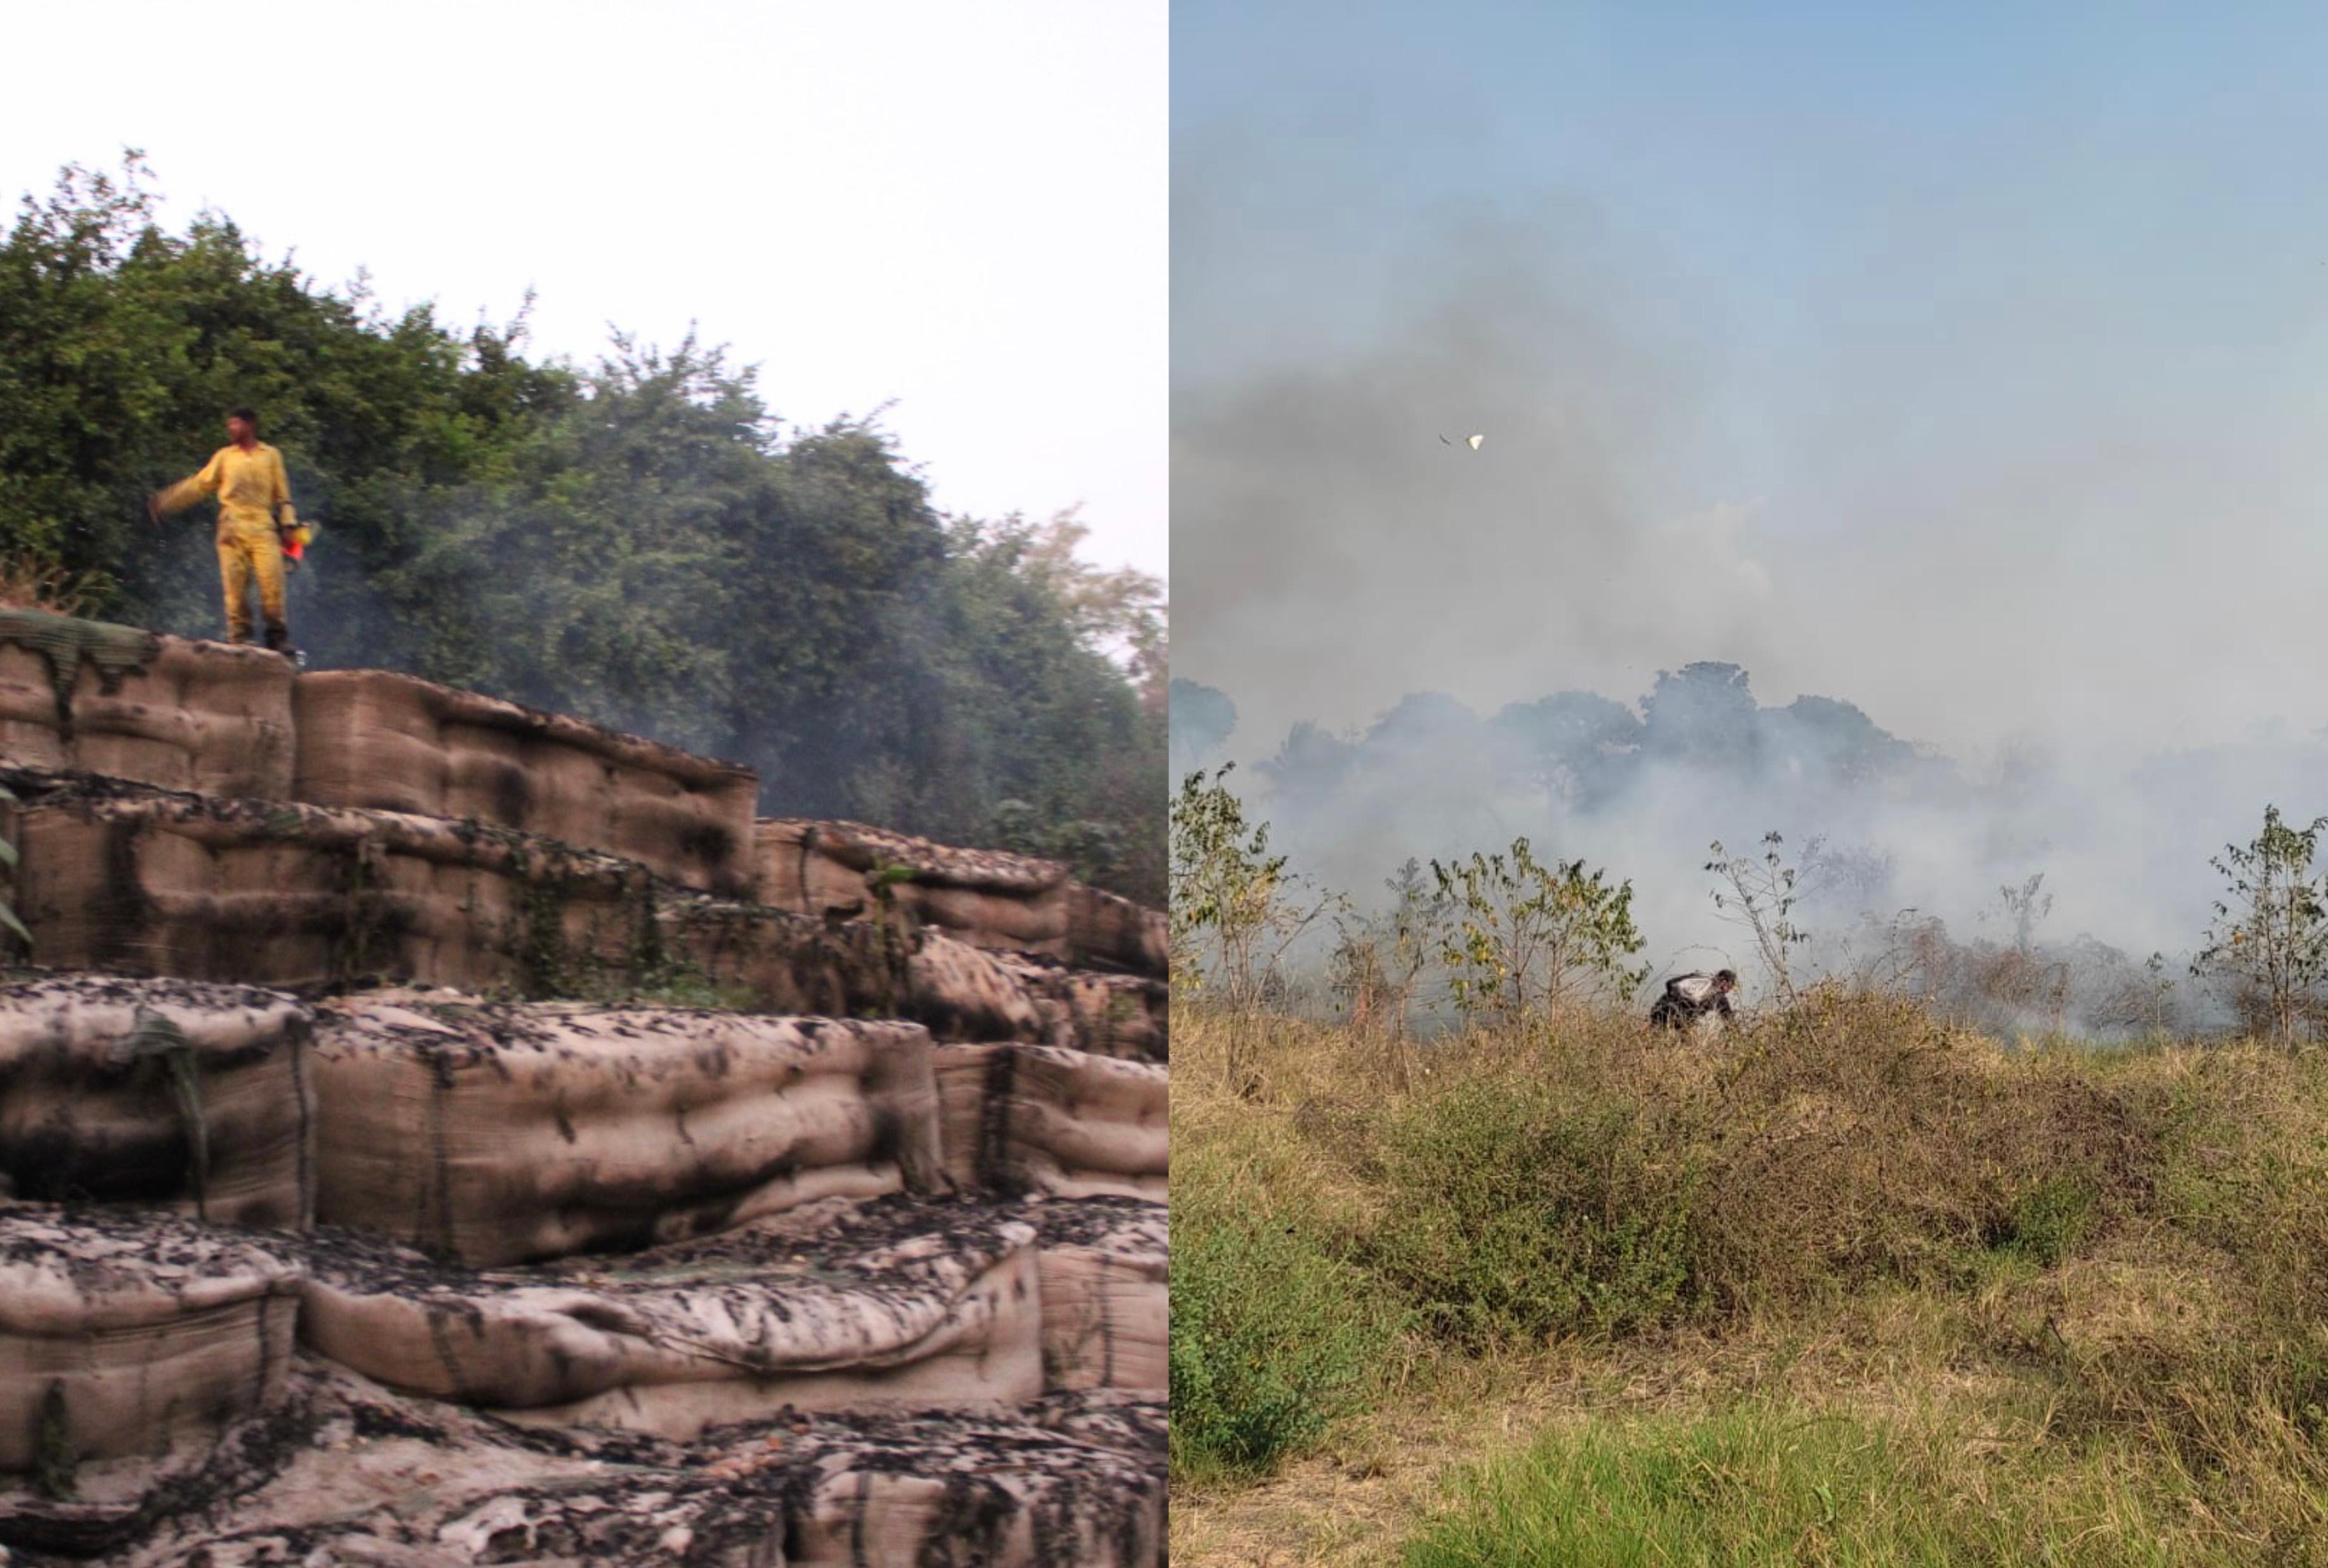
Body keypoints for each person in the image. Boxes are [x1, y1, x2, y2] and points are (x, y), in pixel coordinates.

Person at [149, 408, 302, 653]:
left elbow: (283, 496)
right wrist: (166, 502)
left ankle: (277, 637)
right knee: (235, 586)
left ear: (250, 426)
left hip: (263, 526)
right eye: (229, 424)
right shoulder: (224, 457)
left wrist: (288, 525)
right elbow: (200, 485)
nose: (230, 428)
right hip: (232, 526)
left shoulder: (271, 456)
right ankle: (240, 638)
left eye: (236, 423)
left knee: (272, 584)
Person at [1650, 968, 1738, 1031]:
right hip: (1680, 1018)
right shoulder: (1719, 997)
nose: (1730, 990)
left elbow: (1670, 983)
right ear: (1725, 982)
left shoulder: (1699, 978)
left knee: (1651, 1035)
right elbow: (1729, 1020)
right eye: (1731, 985)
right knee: (1688, 1043)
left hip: (1660, 1009)